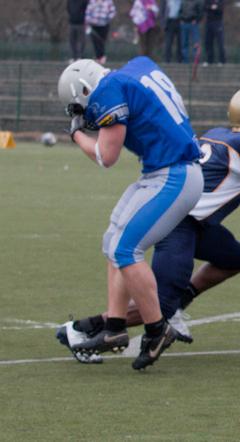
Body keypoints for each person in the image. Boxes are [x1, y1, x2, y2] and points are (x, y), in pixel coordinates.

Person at [56, 87, 240, 364]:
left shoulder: (219, 135)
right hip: (179, 222)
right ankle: (83, 329)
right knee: (160, 307)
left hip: (193, 219)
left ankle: (180, 302)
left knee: (234, 257)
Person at [57, 57, 203, 370]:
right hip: (162, 170)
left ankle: (157, 329)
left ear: (83, 90)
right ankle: (114, 327)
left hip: (174, 174)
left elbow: (105, 156)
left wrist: (76, 134)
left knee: (126, 250)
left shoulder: (108, 88)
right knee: (113, 240)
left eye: (81, 107)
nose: (86, 114)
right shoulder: (136, 68)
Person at [85, 0, 116, 64]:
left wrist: (108, 19)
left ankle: (102, 56)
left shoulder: (108, 2)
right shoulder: (92, 1)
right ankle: (97, 57)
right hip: (94, 25)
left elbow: (113, 12)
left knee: (101, 41)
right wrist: (89, 20)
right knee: (95, 41)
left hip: (104, 25)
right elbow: (88, 12)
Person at [203, 0, 226, 65]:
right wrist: (212, 7)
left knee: (220, 42)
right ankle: (209, 60)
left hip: (218, 22)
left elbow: (220, 8)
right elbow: (205, 7)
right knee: (208, 42)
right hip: (209, 22)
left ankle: (222, 60)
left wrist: (214, 8)